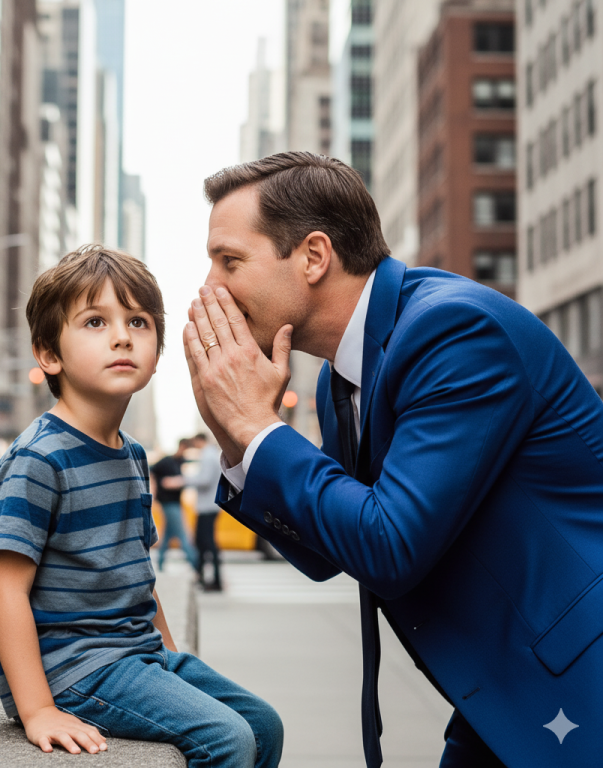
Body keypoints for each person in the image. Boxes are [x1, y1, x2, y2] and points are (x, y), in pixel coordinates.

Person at [182, 151, 603, 768]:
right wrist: (236, 438)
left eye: (230, 261)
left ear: (314, 256)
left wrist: (259, 427)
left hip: (578, 687)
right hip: (501, 693)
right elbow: (332, 552)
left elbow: (390, 545)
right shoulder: (338, 380)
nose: (211, 288)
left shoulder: (453, 333)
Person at [0, 244, 283, 767]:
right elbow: (4, 590)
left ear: (156, 351)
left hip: (137, 655)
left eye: (138, 322)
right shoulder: (41, 459)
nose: (122, 335)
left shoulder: (132, 455)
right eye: (95, 321)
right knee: (227, 739)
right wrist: (37, 710)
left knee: (263, 725)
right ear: (49, 353)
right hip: (76, 669)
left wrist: (167, 655)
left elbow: (136, 572)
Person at [150, 439, 199, 571]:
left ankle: (160, 564)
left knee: (168, 535)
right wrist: (155, 489)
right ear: (182, 447)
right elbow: (151, 470)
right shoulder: (167, 461)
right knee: (182, 534)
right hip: (168, 503)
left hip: (176, 502)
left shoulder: (180, 461)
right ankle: (196, 564)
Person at [187, 432, 223, 591]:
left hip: (207, 507)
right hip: (210, 505)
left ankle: (214, 580)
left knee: (206, 542)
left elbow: (205, 480)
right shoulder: (212, 454)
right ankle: (205, 577)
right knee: (204, 542)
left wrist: (184, 480)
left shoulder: (208, 456)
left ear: (199, 440)